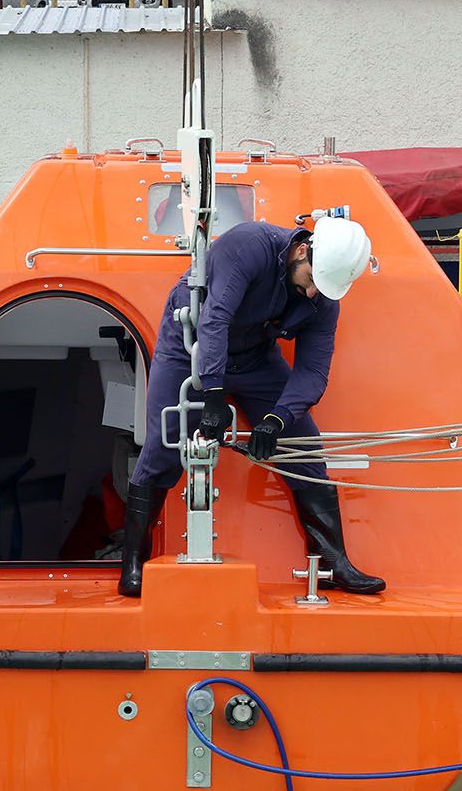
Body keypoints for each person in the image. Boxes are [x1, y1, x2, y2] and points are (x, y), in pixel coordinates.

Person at [120, 216, 384, 598]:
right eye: (310, 281)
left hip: (256, 358)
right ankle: (133, 561)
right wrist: (212, 391)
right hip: (190, 345)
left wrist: (277, 421)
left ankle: (332, 561)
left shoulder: (323, 297)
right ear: (301, 250)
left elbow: (313, 370)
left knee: (304, 448)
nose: (312, 294)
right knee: (165, 444)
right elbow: (216, 317)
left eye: (321, 288)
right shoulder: (248, 246)